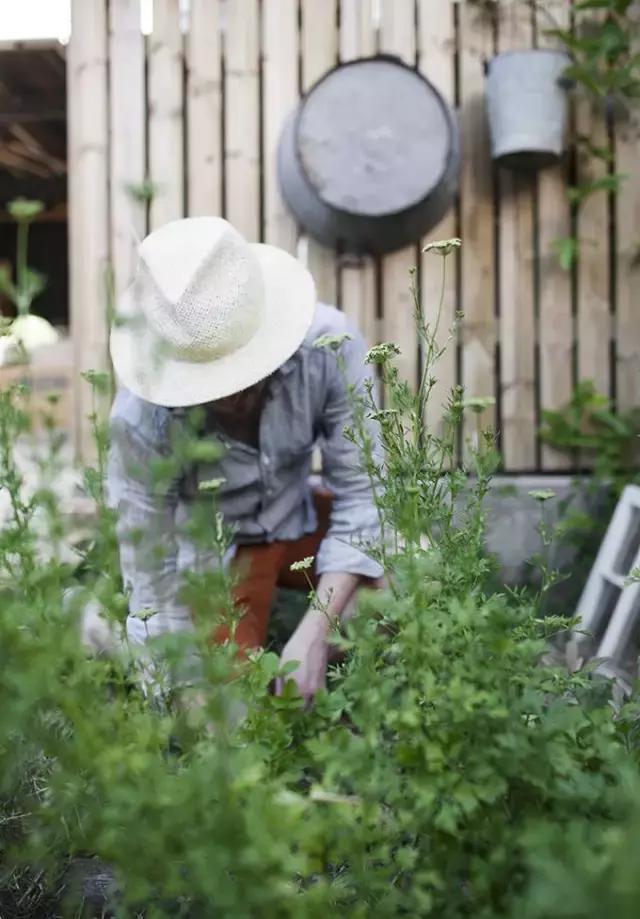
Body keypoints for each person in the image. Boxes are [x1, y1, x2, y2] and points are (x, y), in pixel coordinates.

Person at [107, 216, 383, 703]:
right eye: (211, 382)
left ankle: (337, 682)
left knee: (400, 586)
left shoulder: (329, 346)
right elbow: (151, 576)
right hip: (220, 556)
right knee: (230, 703)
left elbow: (364, 497)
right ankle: (98, 631)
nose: (233, 396)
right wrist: (174, 687)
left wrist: (317, 633)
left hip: (300, 522)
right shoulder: (139, 418)